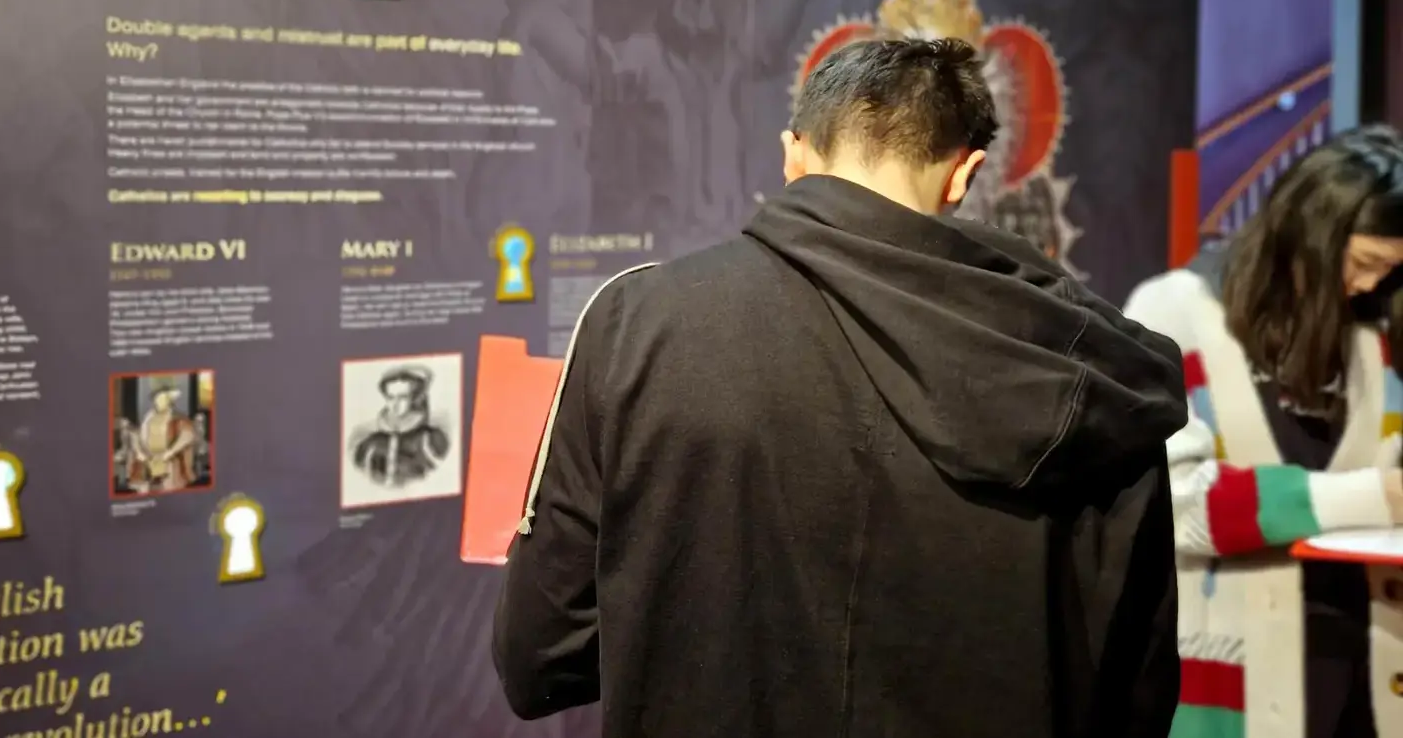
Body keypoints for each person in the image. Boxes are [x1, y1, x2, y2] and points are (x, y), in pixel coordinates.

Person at [492, 37, 1188, 738]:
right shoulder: (1091, 367)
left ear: (793, 154)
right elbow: (1138, 689)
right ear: (963, 175)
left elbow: (541, 656)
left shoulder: (634, 323)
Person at [1123, 124, 1403, 738]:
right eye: (1364, 264)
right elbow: (1178, 503)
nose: (1369, 286)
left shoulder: (1368, 340)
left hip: (1363, 675)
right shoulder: (1172, 313)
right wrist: (1378, 494)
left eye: (1388, 272)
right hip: (1229, 683)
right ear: (1310, 235)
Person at [351, 365, 451, 488]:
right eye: (390, 397)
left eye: (403, 397)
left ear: (416, 399)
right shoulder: (369, 444)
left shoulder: (432, 441)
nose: (395, 404)